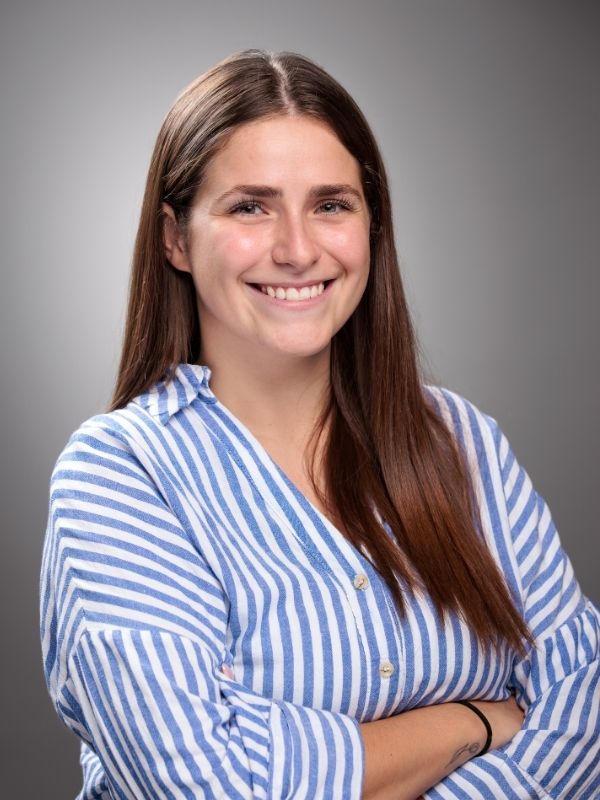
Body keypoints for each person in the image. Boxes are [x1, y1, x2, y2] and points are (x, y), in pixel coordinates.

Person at [39, 49, 599, 800]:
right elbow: (212, 787)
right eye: (250, 206)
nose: (298, 250)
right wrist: (467, 721)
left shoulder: (463, 443)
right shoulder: (119, 476)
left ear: (372, 225)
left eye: (331, 205)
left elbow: (584, 706)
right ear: (175, 238)